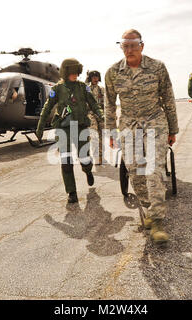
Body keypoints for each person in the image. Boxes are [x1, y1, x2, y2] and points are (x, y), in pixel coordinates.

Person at [105, 29, 179, 245]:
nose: (129, 49)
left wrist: (172, 129)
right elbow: (109, 104)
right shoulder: (112, 73)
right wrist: (110, 131)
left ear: (142, 45)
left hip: (155, 121)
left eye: (133, 45)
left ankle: (157, 221)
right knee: (135, 171)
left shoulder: (157, 67)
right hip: (129, 124)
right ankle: (148, 207)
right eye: (124, 45)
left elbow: (168, 98)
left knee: (154, 168)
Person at [36, 58, 104, 203]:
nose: (75, 75)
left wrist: (101, 115)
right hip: (63, 128)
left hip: (80, 127)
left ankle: (87, 170)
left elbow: (93, 103)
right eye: (72, 72)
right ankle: (71, 192)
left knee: (84, 158)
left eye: (76, 72)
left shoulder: (82, 87)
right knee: (66, 161)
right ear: (65, 72)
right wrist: (40, 126)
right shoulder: (57, 89)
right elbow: (47, 107)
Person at [85, 70, 105, 164]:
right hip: (90, 113)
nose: (95, 79)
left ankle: (101, 157)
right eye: (93, 77)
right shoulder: (87, 89)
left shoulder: (102, 89)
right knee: (94, 135)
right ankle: (96, 157)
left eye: (97, 76)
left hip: (101, 114)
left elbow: (107, 103)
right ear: (90, 78)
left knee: (102, 136)